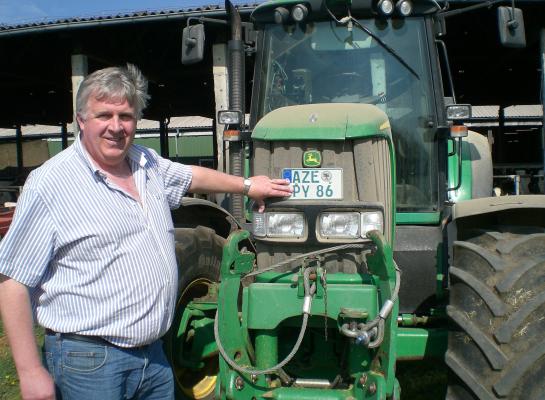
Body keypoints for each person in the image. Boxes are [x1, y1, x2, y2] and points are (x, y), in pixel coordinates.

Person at [0, 64, 292, 400]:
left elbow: (191, 176)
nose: (116, 127)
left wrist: (246, 185)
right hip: (90, 361)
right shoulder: (52, 184)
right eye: (103, 115)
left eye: (125, 116)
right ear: (81, 120)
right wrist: (30, 371)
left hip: (153, 357)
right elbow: (12, 280)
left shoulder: (144, 162)